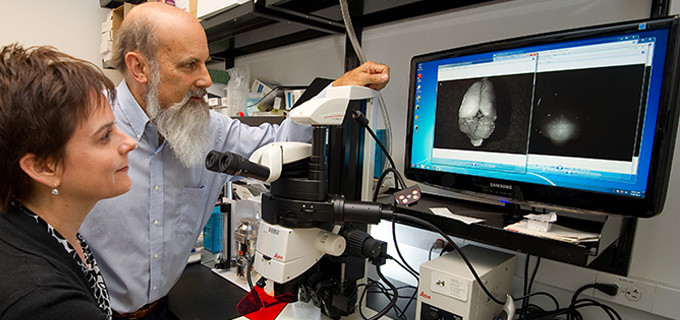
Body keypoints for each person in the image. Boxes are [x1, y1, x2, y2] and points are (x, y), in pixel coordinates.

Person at [79, 2, 390, 319]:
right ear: (140, 68)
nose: (205, 79)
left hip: (159, 310)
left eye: (205, 63)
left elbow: (277, 144)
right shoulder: (84, 127)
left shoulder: (208, 129)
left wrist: (336, 92)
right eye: (189, 65)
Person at [0, 44, 138, 320]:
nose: (130, 143)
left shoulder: (40, 230)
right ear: (42, 166)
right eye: (104, 136)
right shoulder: (44, 303)